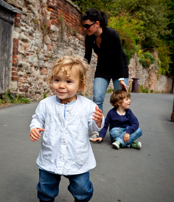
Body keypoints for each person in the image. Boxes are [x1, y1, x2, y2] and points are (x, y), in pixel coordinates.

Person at [30, 55, 104, 202]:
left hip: (77, 157)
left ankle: (80, 199)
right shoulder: (46, 104)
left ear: (80, 85)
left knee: (82, 188)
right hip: (50, 156)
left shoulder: (88, 106)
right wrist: (35, 128)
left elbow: (93, 126)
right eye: (57, 80)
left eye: (68, 81)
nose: (61, 85)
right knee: (46, 188)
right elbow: (37, 119)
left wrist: (98, 121)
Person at [81, 8, 129, 140]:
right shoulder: (89, 38)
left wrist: (120, 79)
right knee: (97, 98)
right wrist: (80, 72)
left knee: (121, 101)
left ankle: (122, 131)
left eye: (87, 26)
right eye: (83, 26)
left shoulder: (112, 34)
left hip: (119, 68)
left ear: (97, 23)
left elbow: (119, 57)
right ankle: (98, 129)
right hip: (103, 69)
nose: (85, 29)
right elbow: (87, 57)